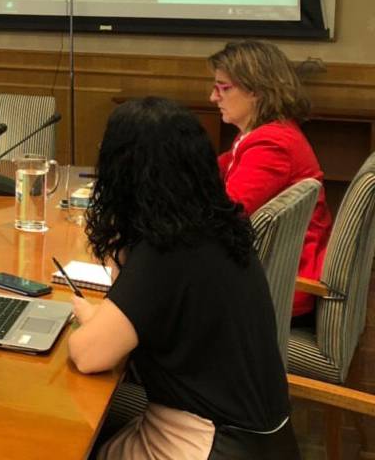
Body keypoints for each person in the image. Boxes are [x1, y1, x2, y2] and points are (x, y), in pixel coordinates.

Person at [68, 97, 298, 459]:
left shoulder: (166, 250)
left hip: (208, 444)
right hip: (264, 441)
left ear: (121, 173)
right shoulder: (220, 226)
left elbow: (89, 355)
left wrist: (86, 317)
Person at [210, 40, 331, 319]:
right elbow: (208, 173)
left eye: (223, 87)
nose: (213, 97)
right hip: (271, 271)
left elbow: (224, 217)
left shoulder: (271, 144)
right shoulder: (258, 134)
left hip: (280, 285)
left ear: (257, 91)